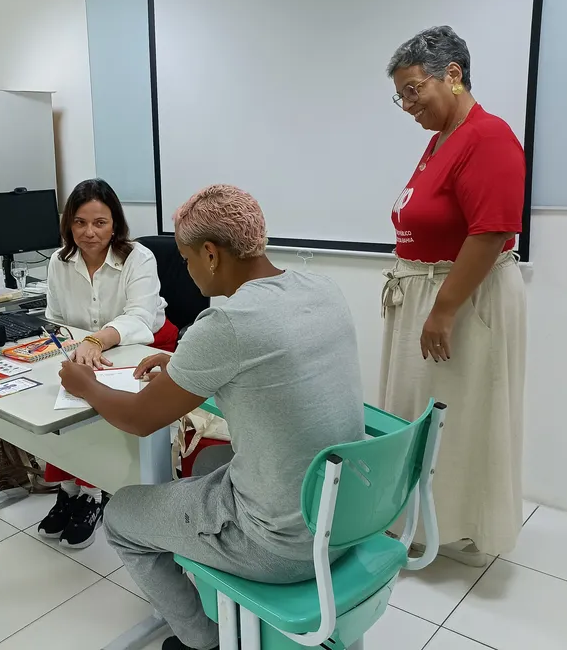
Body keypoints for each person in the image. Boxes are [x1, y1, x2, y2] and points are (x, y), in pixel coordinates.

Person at [58, 185, 364, 650]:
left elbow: (140, 418)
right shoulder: (320, 288)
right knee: (203, 466)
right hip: (346, 516)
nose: (188, 271)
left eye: (186, 260)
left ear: (210, 254)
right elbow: (265, 372)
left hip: (282, 545)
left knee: (120, 513)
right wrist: (181, 363)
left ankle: (205, 641)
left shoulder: (226, 324)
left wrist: (87, 385)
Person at [382, 25, 527, 565]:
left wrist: (443, 309)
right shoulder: (439, 140)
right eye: (401, 95)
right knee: (424, 413)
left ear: (454, 74)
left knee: (459, 414)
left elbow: (490, 231)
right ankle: (420, 519)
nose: (407, 104)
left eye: (414, 90)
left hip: (463, 301)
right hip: (427, 294)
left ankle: (460, 526)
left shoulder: (488, 136)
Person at [39, 178, 177, 549]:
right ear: (69, 223)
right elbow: (55, 317)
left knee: (105, 408)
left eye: (100, 223)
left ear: (115, 223)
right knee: (63, 408)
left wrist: (96, 340)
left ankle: (94, 492)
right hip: (87, 346)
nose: (89, 232)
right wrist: (74, 345)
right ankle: (69, 488)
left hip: (144, 345)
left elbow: (141, 317)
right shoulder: (59, 260)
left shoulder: (138, 257)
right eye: (80, 222)